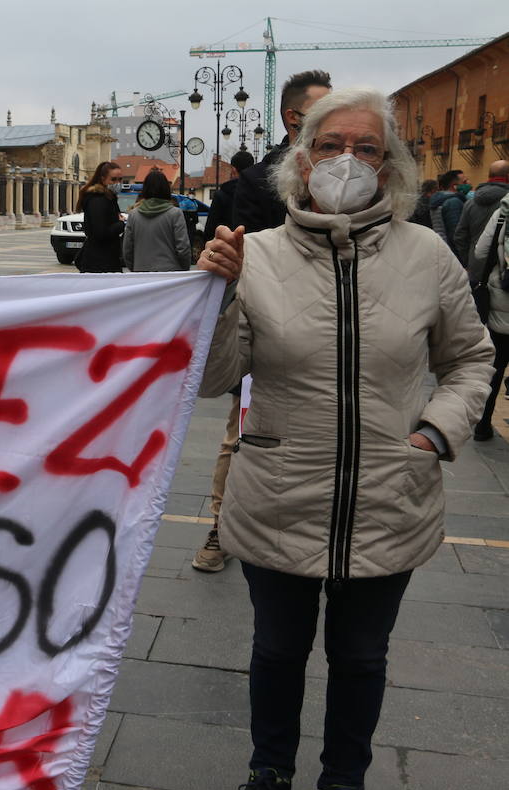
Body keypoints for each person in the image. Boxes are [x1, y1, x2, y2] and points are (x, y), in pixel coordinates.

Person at [196, 88, 493, 790]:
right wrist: (216, 297)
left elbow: (470, 360)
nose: (347, 161)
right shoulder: (254, 253)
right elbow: (213, 378)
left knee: (362, 658)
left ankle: (343, 785)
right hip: (279, 494)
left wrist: (436, 433)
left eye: (367, 148)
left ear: (390, 166)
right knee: (276, 651)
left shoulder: (428, 256)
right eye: (331, 146)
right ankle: (269, 772)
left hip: (392, 498)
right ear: (302, 160)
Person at [195, 71, 332, 574]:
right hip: (269, 332)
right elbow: (232, 258)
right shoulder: (256, 182)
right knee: (242, 432)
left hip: (340, 337)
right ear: (294, 118)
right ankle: (220, 526)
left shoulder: (358, 179)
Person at [234, 70, 333, 234]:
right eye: (322, 110)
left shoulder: (343, 165)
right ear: (293, 117)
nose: (331, 117)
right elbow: (250, 248)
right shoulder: (256, 180)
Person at [471, 192, 509, 440]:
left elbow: (481, 252)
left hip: (503, 299)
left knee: (496, 367)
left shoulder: (503, 212)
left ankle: (483, 425)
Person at [123, 170, 191, 272]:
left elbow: (127, 249)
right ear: (166, 189)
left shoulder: (133, 215)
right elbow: (183, 248)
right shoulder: (175, 214)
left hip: (141, 272)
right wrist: (183, 269)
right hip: (170, 272)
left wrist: (134, 268)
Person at [454, 160, 509, 270]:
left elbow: (460, 236)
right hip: (500, 271)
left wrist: (469, 260)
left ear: (489, 175)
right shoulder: (507, 202)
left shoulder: (470, 202)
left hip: (475, 267)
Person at [75, 161, 124, 273]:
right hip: (99, 262)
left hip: (105, 259)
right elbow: (100, 232)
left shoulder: (108, 197)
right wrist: (120, 224)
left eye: (120, 179)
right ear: (103, 179)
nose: (117, 183)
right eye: (113, 179)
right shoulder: (98, 200)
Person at [203, 150, 256, 243]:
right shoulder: (257, 193)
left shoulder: (222, 195)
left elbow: (210, 229)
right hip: (252, 247)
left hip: (226, 248)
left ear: (233, 169)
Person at [429, 169, 467, 254]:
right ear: (454, 186)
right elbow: (455, 233)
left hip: (440, 246)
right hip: (451, 251)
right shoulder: (453, 202)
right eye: (464, 182)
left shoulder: (437, 199)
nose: (469, 184)